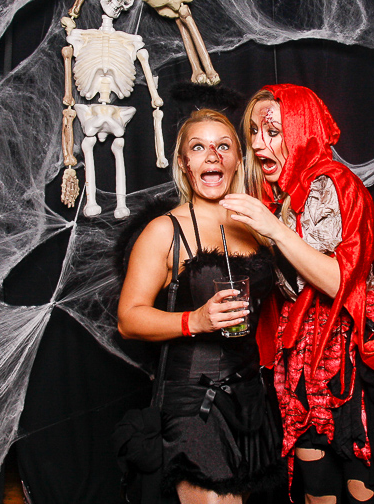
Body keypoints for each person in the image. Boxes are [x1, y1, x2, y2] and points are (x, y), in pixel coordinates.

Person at [220, 85, 374, 504]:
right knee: (317, 490)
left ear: (301, 129)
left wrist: (274, 231)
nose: (258, 143)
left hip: (349, 354)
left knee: (360, 491)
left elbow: (338, 282)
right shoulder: (280, 195)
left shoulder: (335, 183)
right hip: (302, 359)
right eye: (254, 132)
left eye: (273, 131)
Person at [118, 109, 283, 504]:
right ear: (183, 163)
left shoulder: (257, 225)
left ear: (237, 160)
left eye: (223, 146)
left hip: (251, 398)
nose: (212, 155)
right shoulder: (164, 230)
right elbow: (128, 318)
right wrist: (195, 320)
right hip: (194, 401)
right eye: (198, 147)